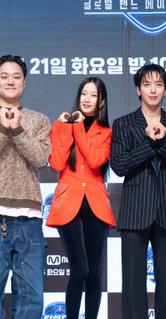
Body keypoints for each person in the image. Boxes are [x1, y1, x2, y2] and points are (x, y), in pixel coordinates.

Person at [0, 55, 51, 318]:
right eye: (4, 76)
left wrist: (18, 130)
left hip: (29, 218)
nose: (10, 81)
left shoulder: (38, 119)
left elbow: (41, 158)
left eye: (16, 77)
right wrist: (2, 129)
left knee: (31, 299)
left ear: (24, 82)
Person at [110, 64, 166, 319]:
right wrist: (148, 142)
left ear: (165, 90)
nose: (153, 90)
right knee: (133, 285)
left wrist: (163, 142)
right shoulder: (123, 124)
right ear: (138, 90)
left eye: (158, 84)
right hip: (135, 209)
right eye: (147, 84)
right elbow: (119, 166)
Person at [46, 77, 116, 319]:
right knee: (80, 270)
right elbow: (57, 163)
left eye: (93, 95)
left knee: (94, 273)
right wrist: (67, 127)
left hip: (96, 205)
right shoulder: (60, 126)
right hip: (68, 204)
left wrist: (77, 127)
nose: (87, 99)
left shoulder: (106, 132)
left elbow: (95, 160)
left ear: (101, 102)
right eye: (84, 93)